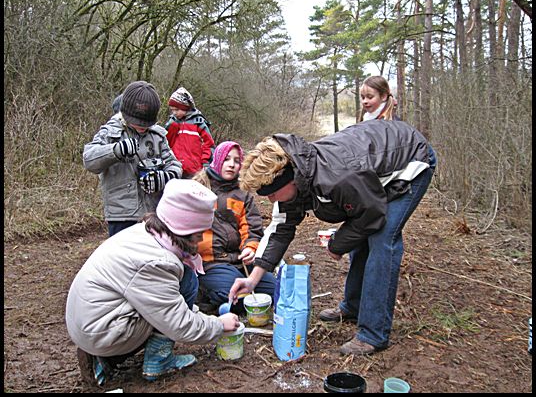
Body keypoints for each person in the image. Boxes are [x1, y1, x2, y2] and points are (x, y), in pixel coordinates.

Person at [230, 119, 437, 356]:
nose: (271, 200)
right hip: (370, 173)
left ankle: (373, 333)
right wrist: (252, 281)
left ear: (287, 178)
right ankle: (353, 306)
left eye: (273, 193)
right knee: (360, 237)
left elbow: (371, 214)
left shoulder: (337, 176)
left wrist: (337, 244)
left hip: (410, 160)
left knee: (381, 239)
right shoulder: (296, 176)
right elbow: (279, 231)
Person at [66, 179, 240, 386]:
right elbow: (178, 323)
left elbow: (165, 301)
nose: (201, 239)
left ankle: (107, 355)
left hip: (92, 319)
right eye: (199, 233)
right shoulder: (156, 263)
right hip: (101, 331)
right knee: (187, 282)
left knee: (185, 280)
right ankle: (156, 361)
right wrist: (218, 325)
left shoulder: (147, 232)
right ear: (185, 230)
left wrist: (195, 315)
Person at [83, 81, 183, 237]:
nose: (142, 127)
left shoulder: (157, 135)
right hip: (121, 215)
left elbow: (175, 165)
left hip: (154, 213)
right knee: (124, 260)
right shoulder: (110, 132)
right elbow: (89, 160)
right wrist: (116, 150)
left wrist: (165, 177)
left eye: (146, 123)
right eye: (137, 123)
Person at [192, 141, 276, 314]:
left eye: (237, 161)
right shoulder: (197, 188)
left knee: (277, 290)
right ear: (217, 160)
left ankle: (235, 297)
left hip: (239, 261)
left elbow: (253, 229)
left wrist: (250, 248)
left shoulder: (243, 194)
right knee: (229, 293)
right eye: (226, 159)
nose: (231, 164)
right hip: (210, 263)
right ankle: (205, 293)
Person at [164, 87, 215, 178]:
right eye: (172, 110)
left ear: (186, 107)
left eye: (177, 110)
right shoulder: (172, 123)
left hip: (194, 170)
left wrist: (206, 163)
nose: (174, 113)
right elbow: (166, 143)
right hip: (175, 168)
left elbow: (208, 144)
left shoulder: (198, 123)